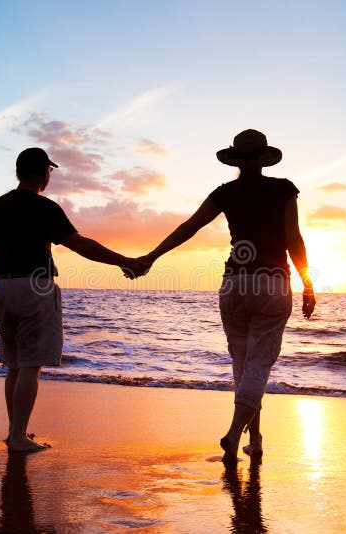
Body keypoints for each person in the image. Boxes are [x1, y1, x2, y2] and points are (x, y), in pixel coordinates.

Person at [137, 129, 315, 465]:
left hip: (234, 284)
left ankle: (256, 439)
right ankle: (234, 435)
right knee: (258, 364)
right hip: (272, 284)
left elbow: (188, 227)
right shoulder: (283, 189)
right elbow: (294, 239)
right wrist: (307, 283)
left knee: (244, 365)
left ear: (236, 160)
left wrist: (152, 256)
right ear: (263, 159)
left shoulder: (227, 193)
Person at [0, 147, 145, 453]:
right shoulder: (44, 207)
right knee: (30, 365)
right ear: (45, 172)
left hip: (2, 286)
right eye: (50, 171)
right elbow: (79, 244)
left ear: (18, 171)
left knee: (14, 365)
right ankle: (18, 437)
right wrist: (123, 261)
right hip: (35, 287)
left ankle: (15, 432)